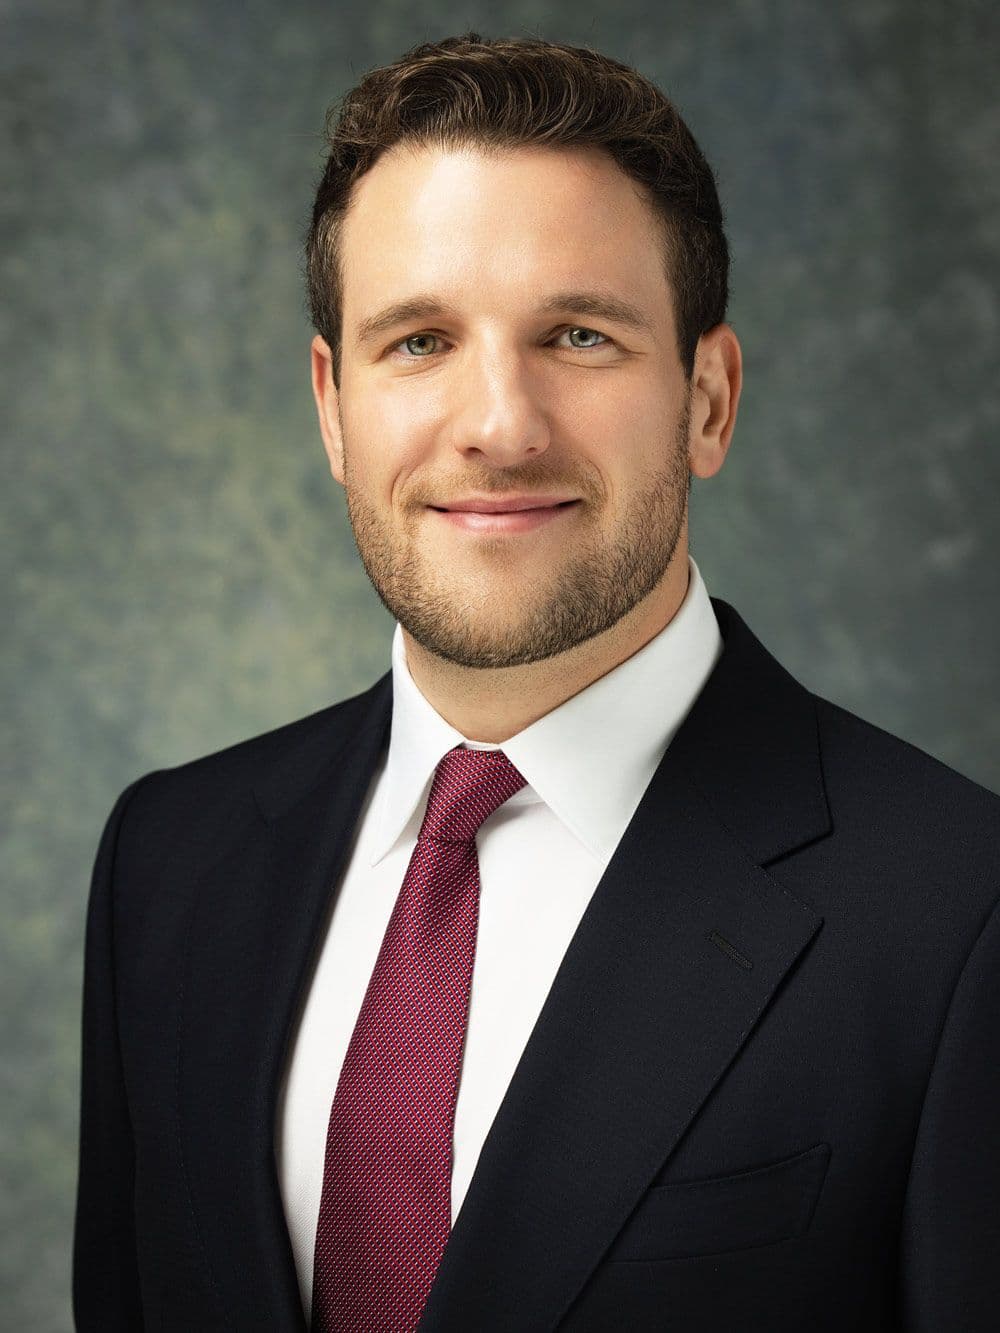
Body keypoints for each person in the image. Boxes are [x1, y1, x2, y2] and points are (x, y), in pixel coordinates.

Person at [73, 31, 1000, 1333]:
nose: (499, 425)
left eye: (577, 334)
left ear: (709, 399)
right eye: (420, 341)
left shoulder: (960, 916)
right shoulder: (168, 863)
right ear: (333, 406)